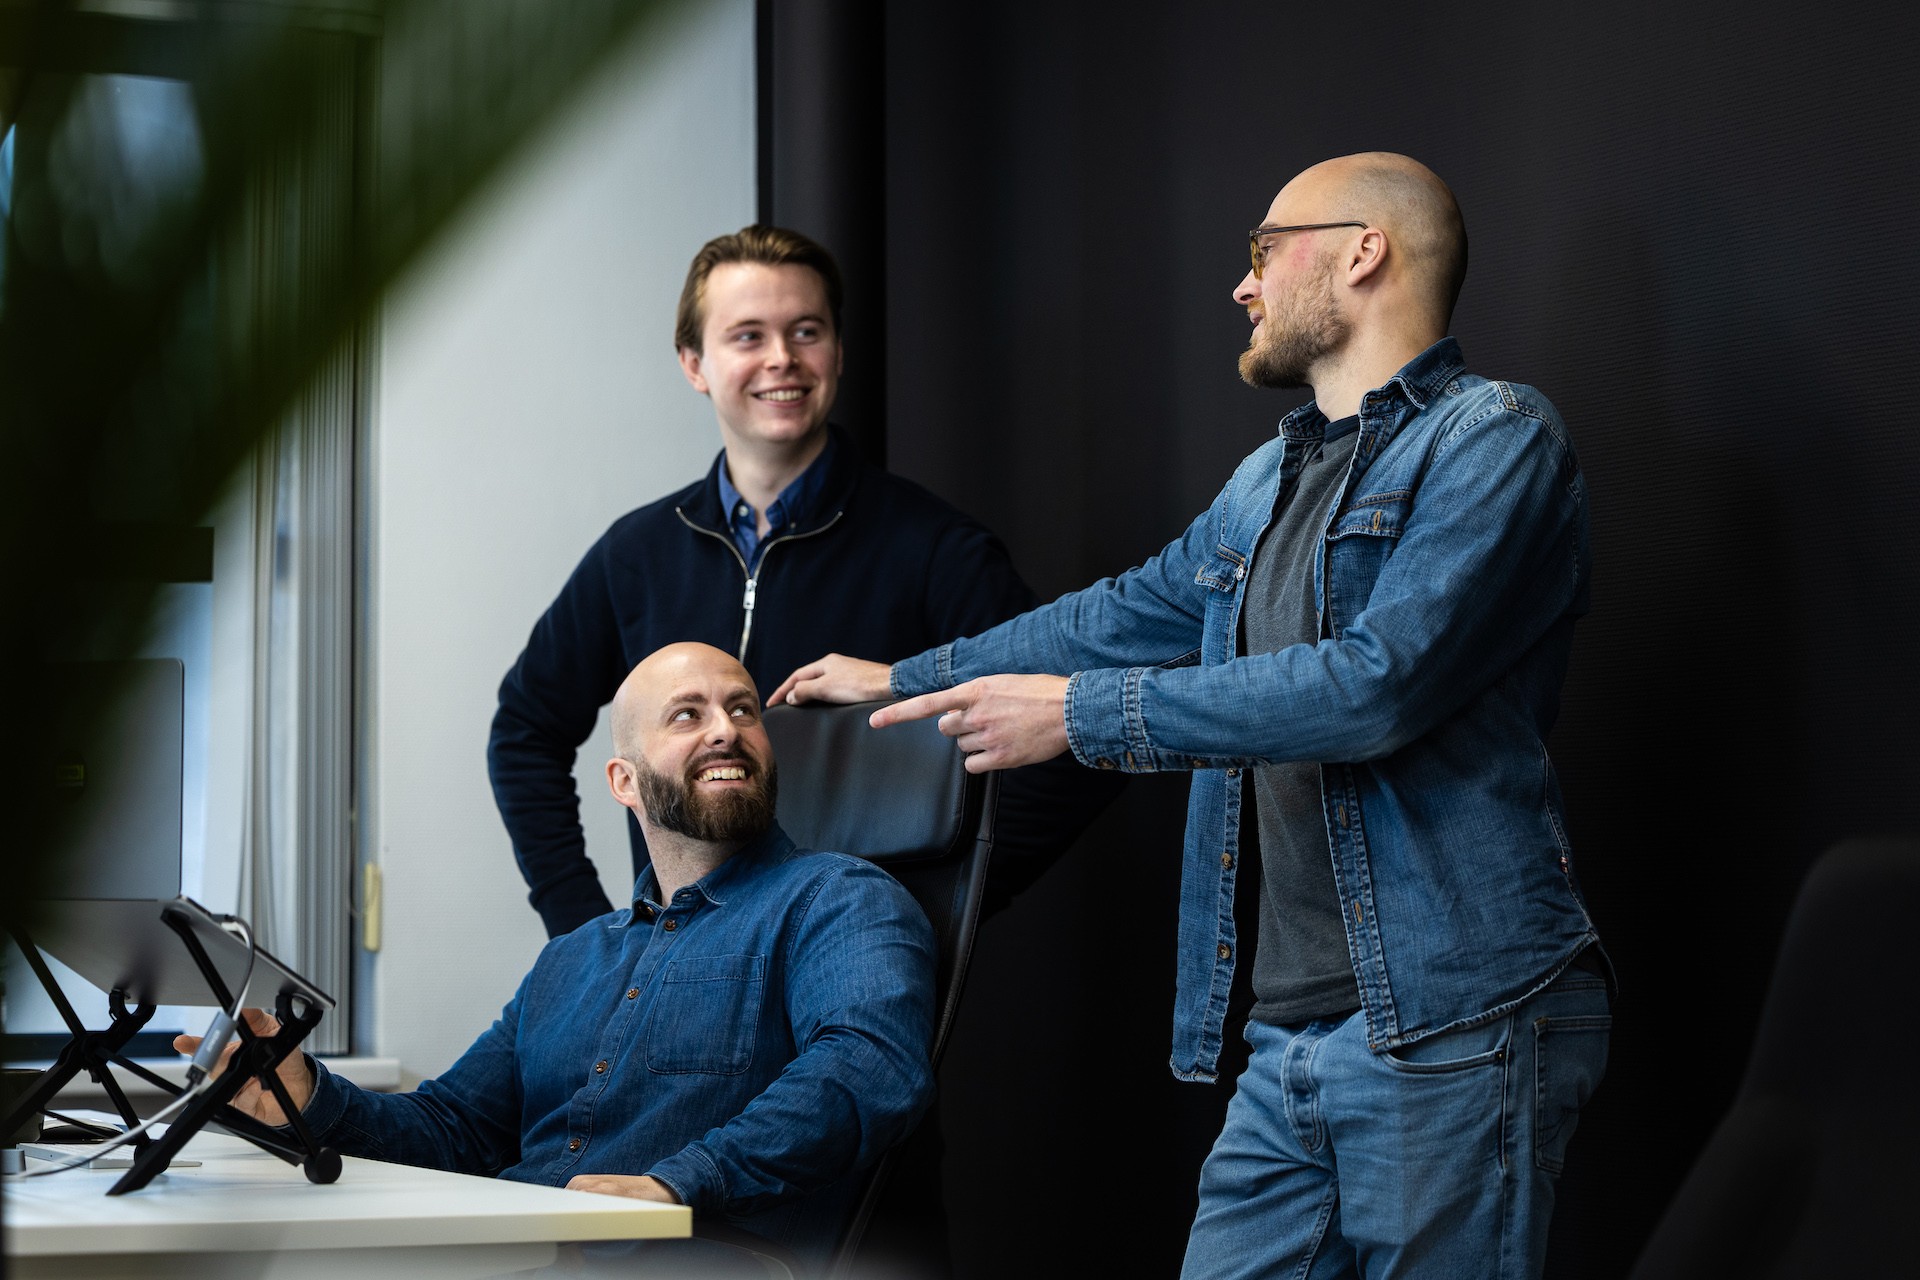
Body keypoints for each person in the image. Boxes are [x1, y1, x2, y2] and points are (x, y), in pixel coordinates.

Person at [771, 153, 1613, 1278]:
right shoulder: (1267, 478)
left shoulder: (1495, 437)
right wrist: (903, 677)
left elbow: (1375, 685)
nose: (1242, 282)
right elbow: (1124, 614)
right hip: (1288, 1037)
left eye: (1265, 249)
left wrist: (1080, 717)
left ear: (1364, 251)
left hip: (1455, 1018)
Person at [184, 642, 936, 1272]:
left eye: (744, 710)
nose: (725, 731)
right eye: (688, 714)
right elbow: (454, 1129)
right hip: (509, 1258)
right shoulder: (571, 959)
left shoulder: (838, 898)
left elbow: (869, 1069)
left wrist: (676, 1186)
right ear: (624, 781)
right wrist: (304, 1096)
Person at [488, 224, 1069, 942]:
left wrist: (923, 915)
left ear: (838, 351)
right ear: (694, 364)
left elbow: (1065, 740)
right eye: (748, 336)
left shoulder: (937, 551)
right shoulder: (635, 555)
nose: (781, 359)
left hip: (850, 966)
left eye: (805, 331)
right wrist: (584, 932)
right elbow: (524, 731)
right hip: (673, 966)